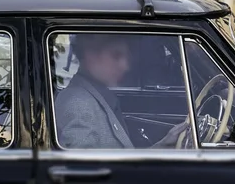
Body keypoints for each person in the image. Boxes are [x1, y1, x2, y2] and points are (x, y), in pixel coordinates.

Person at [54, 34, 190, 149]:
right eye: (116, 56)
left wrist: (164, 145)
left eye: (126, 57)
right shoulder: (78, 105)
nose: (125, 66)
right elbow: (86, 174)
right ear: (89, 55)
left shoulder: (96, 94)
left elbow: (123, 162)